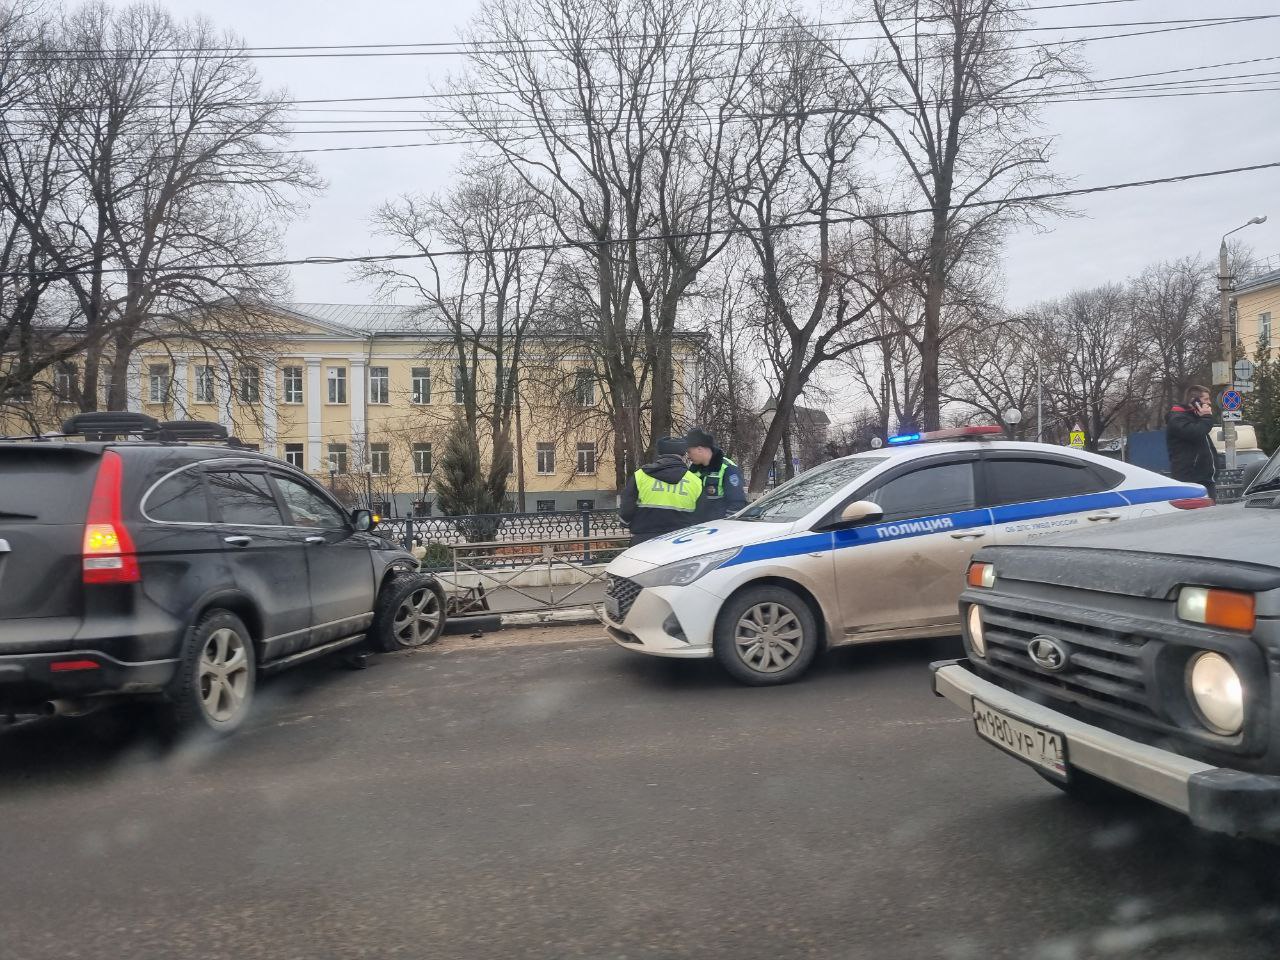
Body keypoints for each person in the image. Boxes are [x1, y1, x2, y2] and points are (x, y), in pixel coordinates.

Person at [619, 437, 704, 545]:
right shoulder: (695, 481)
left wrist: (625, 522)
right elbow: (702, 515)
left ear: (659, 453)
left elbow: (627, 507)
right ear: (683, 455)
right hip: (681, 541)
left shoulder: (641, 475)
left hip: (644, 540)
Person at [682, 427, 747, 522]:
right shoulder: (693, 471)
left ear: (699, 449)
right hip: (696, 528)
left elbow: (736, 504)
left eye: (689, 452)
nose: (688, 456)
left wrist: (724, 527)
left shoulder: (727, 468)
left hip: (717, 530)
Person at [1166, 384, 1217, 498]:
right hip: (1190, 479)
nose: (1209, 403)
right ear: (1195, 401)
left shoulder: (1196, 418)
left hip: (1205, 479)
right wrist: (1207, 417)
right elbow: (1196, 432)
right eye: (1206, 399)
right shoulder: (1177, 419)